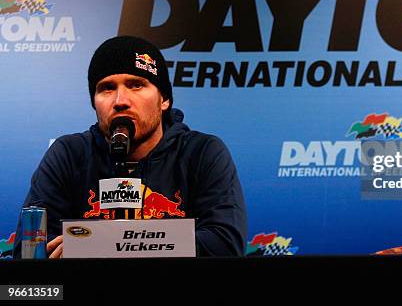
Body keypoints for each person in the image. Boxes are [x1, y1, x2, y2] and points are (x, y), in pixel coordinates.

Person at [13, 36, 247, 257]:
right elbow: (29, 248)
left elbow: (225, 242)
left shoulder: (202, 152)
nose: (120, 101)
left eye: (136, 85)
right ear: (94, 102)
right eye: (107, 88)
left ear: (164, 99)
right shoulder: (69, 153)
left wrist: (98, 244)